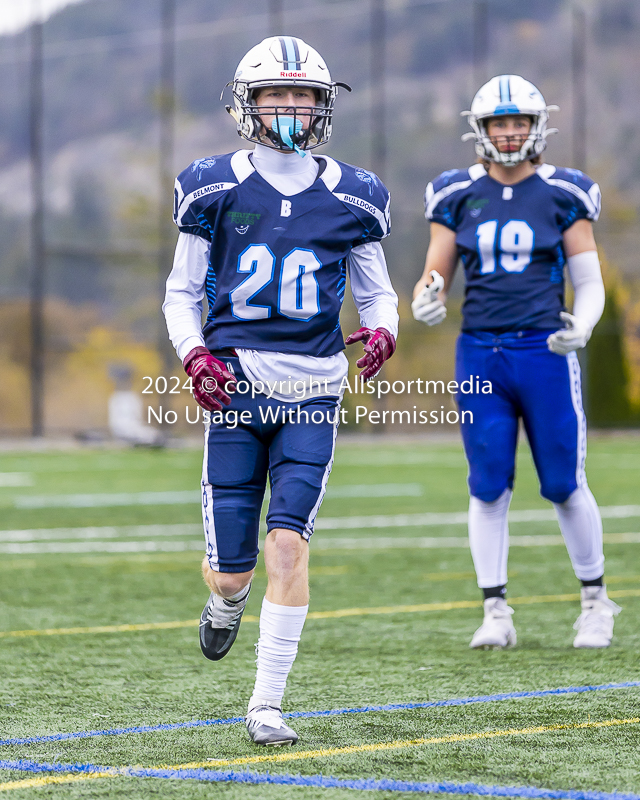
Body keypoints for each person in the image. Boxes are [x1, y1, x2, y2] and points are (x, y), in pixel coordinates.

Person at [163, 36, 398, 745]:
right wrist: (195, 354)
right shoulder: (213, 187)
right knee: (230, 573)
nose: (291, 108)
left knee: (288, 547)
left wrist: (384, 331)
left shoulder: (354, 195)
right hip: (235, 389)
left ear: (323, 106)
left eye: (304, 96)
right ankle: (226, 604)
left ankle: (266, 704)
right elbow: (179, 293)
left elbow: (378, 294)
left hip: (315, 392)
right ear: (250, 103)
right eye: (277, 96)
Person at [412, 74, 620, 650]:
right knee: (486, 485)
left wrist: (585, 322)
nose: (508, 133)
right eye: (499, 123)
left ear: (537, 126)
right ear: (479, 130)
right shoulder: (455, 193)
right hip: (480, 351)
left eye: (518, 122)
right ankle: (496, 611)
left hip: (543, 350)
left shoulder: (565, 192)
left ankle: (595, 600)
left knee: (562, 481)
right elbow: (437, 269)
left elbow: (588, 279)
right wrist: (426, 296)